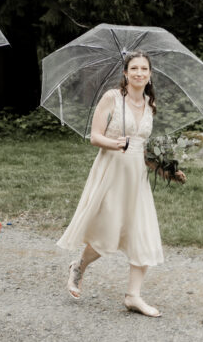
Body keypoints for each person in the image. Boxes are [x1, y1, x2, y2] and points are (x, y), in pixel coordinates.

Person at [57, 51, 184, 317]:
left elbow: (144, 148)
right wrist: (117, 143)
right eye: (134, 68)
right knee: (108, 233)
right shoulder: (112, 98)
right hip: (111, 170)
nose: (139, 73)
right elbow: (94, 137)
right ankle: (79, 266)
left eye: (144, 69)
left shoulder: (150, 103)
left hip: (137, 177)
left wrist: (166, 170)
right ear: (125, 73)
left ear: (150, 75)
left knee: (143, 233)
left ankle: (133, 296)